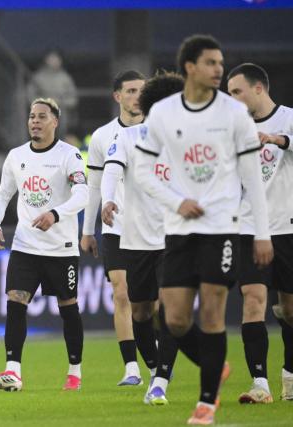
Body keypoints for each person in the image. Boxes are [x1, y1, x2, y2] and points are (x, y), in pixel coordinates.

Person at [133, 35, 273, 425]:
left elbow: (252, 179)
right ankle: (214, 362)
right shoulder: (163, 115)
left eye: (221, 63)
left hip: (222, 228)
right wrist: (176, 201)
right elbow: (144, 171)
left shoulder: (234, 115)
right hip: (179, 229)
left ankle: (206, 403)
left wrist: (260, 233)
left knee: (212, 311)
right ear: (190, 67)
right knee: (173, 319)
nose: (218, 69)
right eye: (211, 63)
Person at [0, 98, 88, 392]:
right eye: (31, 116)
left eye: (42, 116)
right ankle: (13, 372)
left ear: (55, 121)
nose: (35, 121)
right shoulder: (16, 156)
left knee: (68, 307)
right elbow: (3, 194)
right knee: (16, 303)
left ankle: (74, 371)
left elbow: (82, 195)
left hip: (61, 247)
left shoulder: (70, 155)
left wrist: (55, 214)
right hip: (26, 245)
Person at [101, 71, 184, 405]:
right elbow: (112, 171)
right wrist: (108, 199)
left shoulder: (185, 139)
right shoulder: (129, 137)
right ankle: (153, 367)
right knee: (140, 311)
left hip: (174, 237)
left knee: (171, 306)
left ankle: (161, 379)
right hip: (135, 238)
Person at [227, 62, 293, 402]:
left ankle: (290, 376)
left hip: (288, 227)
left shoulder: (289, 119)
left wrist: (277, 139)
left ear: (258, 88)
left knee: (290, 311)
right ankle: (260, 384)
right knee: (253, 300)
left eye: (236, 91)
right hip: (250, 228)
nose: (232, 99)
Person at [81, 70, 146, 386]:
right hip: (115, 228)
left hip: (151, 228)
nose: (137, 96)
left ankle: (156, 358)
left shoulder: (157, 132)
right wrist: (87, 229)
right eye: (131, 90)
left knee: (151, 303)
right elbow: (94, 186)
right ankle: (131, 369)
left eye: (141, 91)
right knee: (121, 294)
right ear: (118, 96)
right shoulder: (102, 137)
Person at [27, 50, 79, 136]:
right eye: (51, 59)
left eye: (57, 59)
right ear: (46, 60)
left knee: (62, 129)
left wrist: (60, 102)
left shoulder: (65, 77)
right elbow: (29, 96)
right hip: (41, 112)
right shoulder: (38, 77)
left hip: (61, 112)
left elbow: (73, 98)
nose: (54, 62)